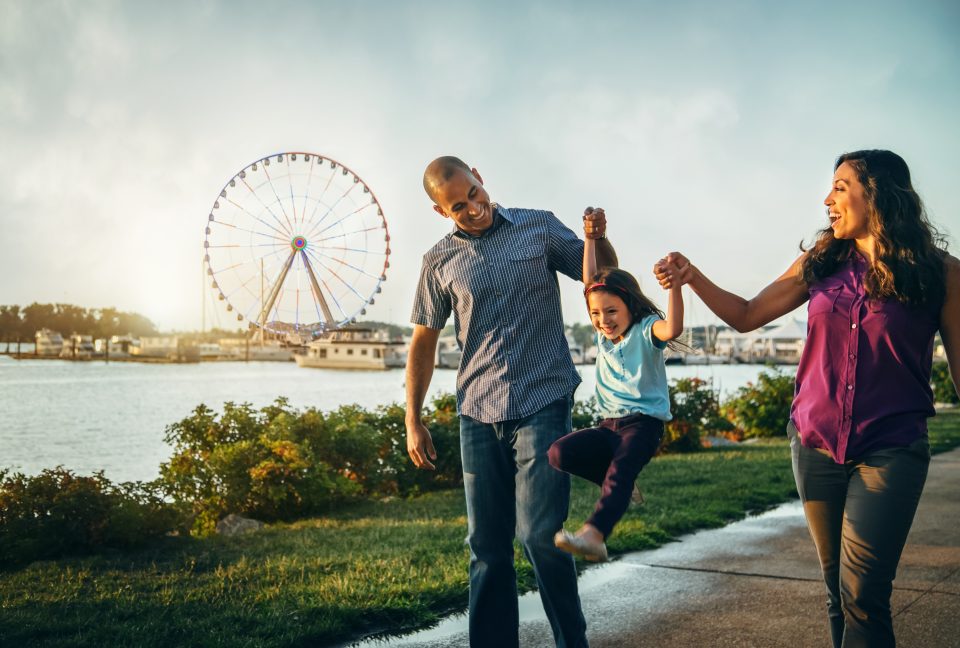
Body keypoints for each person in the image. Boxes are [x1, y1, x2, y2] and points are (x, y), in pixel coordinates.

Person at [654, 149, 960, 648]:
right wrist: (692, 276)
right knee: (837, 593)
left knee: (864, 595)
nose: (827, 200)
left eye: (840, 187)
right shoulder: (822, 260)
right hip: (814, 444)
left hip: (891, 449)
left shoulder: (943, 274)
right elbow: (749, 314)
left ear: (877, 194)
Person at [405, 156, 618, 648]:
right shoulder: (438, 261)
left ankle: (573, 642)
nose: (474, 208)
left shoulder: (537, 226)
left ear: (481, 178)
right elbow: (424, 341)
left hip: (543, 398)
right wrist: (413, 417)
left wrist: (596, 236)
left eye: (474, 194)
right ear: (441, 212)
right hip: (477, 411)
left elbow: (599, 277)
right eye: (459, 207)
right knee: (486, 549)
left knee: (541, 536)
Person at [549, 208, 684, 562]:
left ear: (629, 304)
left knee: (619, 473)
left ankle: (594, 534)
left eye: (611, 311)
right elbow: (592, 278)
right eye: (596, 313)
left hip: (643, 424)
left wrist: (675, 288)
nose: (603, 320)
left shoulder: (646, 328)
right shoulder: (603, 337)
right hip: (608, 425)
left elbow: (673, 330)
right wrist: (590, 237)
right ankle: (622, 485)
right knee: (559, 453)